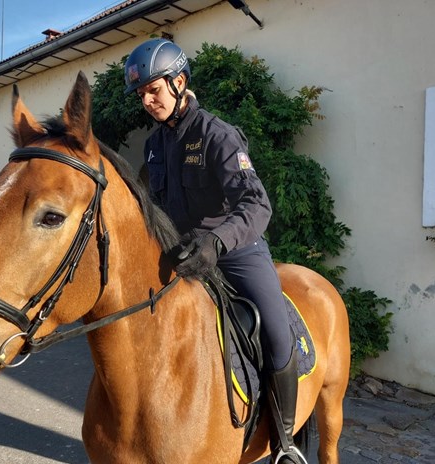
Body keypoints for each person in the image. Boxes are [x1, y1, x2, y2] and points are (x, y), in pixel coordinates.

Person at [124, 38, 307, 464]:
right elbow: (147, 208)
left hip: (236, 252)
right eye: (141, 95)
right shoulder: (153, 146)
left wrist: (217, 241)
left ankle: (285, 444)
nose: (147, 101)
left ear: (179, 81)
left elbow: (257, 204)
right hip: (182, 255)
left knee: (279, 338)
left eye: (153, 90)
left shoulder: (217, 135)